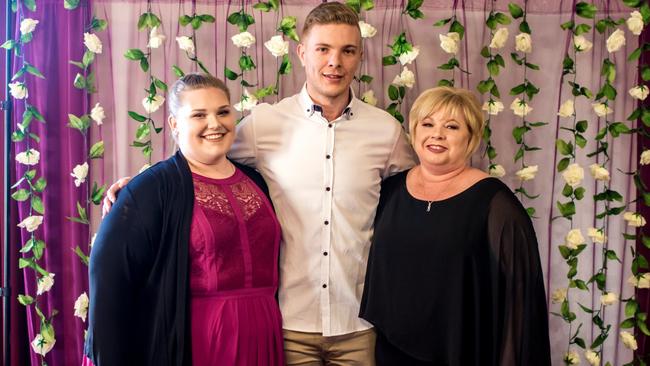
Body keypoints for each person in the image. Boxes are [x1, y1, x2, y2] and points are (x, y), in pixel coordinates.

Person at [103, 2, 416, 364]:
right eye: (323, 49)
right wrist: (143, 186)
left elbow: (417, 191)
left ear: (360, 56)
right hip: (287, 324)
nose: (335, 62)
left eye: (347, 51)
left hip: (358, 322)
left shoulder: (386, 131)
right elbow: (204, 153)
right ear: (302, 53)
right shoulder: (266, 124)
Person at [84, 73, 285, 366]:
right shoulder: (150, 189)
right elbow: (109, 280)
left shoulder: (257, 179)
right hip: (197, 341)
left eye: (223, 112)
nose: (214, 124)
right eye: (199, 114)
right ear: (175, 124)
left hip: (265, 333)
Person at [359, 86, 551, 365]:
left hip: (464, 352)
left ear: (471, 138)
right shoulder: (390, 191)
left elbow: (520, 299)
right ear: (413, 131)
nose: (437, 134)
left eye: (451, 126)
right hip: (391, 352)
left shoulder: (496, 203)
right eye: (427, 124)